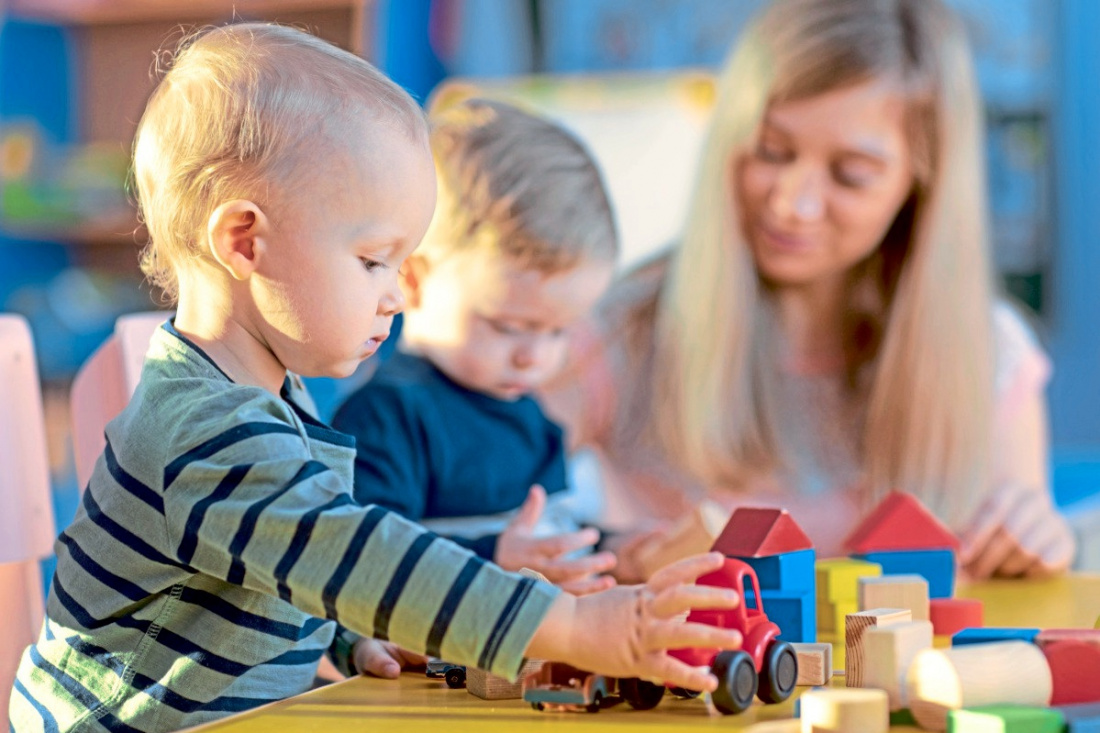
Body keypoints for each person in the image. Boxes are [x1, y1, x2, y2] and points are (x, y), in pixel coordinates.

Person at [9, 24, 742, 733]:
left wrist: (349, 637)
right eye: (372, 261)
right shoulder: (207, 431)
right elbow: (351, 554)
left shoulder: (270, 399)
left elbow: (283, 572)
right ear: (245, 242)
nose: (395, 295)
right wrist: (573, 626)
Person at [543, 0, 1075, 580]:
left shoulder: (988, 355)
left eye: (851, 175)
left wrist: (1039, 541)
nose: (793, 205)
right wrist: (613, 553)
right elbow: (489, 523)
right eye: (771, 152)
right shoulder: (619, 333)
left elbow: (1015, 575)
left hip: (899, 646)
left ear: (920, 184)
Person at [332, 98, 629, 595]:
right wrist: (493, 557)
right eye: (509, 326)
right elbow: (365, 561)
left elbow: (551, 534)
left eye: (558, 331)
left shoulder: (529, 416)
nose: (534, 356)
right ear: (414, 281)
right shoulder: (389, 417)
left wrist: (615, 549)